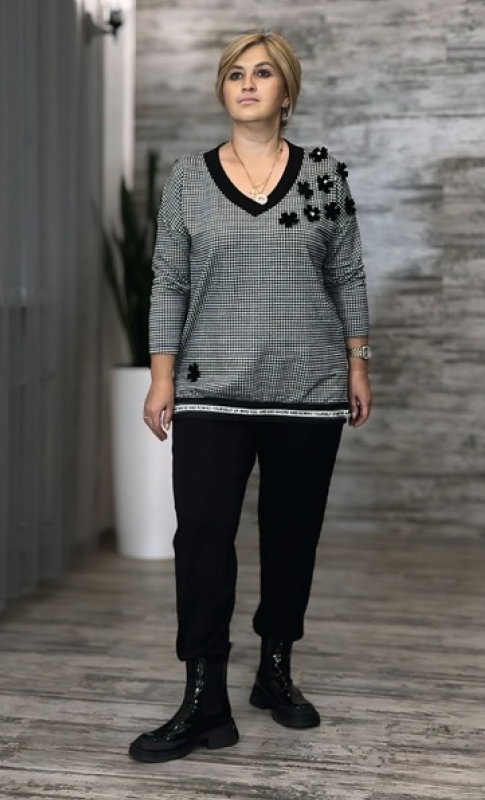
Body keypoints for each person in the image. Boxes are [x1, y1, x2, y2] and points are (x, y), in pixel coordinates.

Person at [130, 29, 371, 764]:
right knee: (202, 536)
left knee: (292, 533)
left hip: (309, 387)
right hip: (211, 389)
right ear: (222, 89)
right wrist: (162, 376)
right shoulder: (187, 179)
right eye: (235, 73)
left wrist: (357, 365)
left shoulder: (322, 173)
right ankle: (205, 696)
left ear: (285, 91)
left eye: (262, 72)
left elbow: (347, 274)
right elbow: (168, 280)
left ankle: (275, 669)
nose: (246, 83)